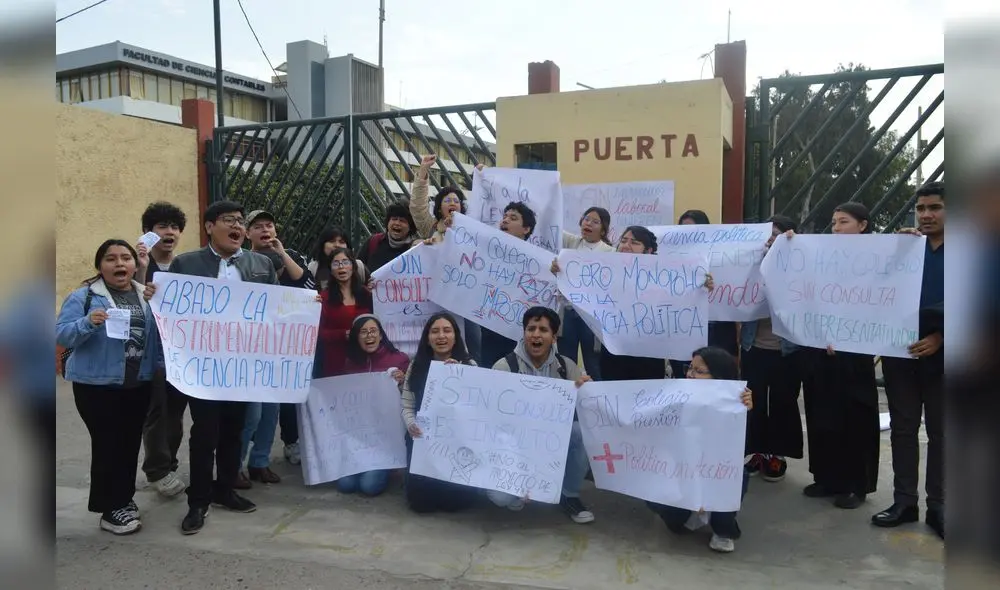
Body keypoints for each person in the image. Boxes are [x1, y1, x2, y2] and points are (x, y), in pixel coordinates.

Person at [142, 200, 279, 535]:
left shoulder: (262, 263)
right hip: (202, 368)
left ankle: (224, 489)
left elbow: (277, 309)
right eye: (229, 220)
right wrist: (153, 294)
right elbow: (169, 310)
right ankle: (198, 500)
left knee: (235, 429)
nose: (237, 226)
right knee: (205, 432)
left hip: (243, 365)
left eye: (240, 221)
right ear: (208, 227)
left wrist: (305, 307)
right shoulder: (186, 264)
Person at [57, 239, 163, 535]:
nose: (119, 264)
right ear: (99, 266)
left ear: (135, 264)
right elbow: (62, 335)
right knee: (107, 443)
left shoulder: (148, 296)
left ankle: (123, 500)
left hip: (137, 383)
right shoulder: (84, 297)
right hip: (96, 386)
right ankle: (108, 508)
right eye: (110, 259)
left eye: (125, 258)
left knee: (129, 443)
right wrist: (88, 323)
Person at [790, 202, 880, 510]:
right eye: (833, 223)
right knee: (821, 413)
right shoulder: (820, 256)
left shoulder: (878, 258)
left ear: (863, 225)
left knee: (854, 417)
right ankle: (826, 477)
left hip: (855, 352)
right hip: (819, 348)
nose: (836, 228)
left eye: (843, 222)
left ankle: (857, 484)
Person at [871, 182, 945, 538]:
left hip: (945, 356)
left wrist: (940, 338)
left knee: (942, 432)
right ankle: (904, 502)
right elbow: (871, 285)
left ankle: (939, 506)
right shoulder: (907, 248)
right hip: (900, 353)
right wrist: (896, 249)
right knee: (903, 429)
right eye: (921, 208)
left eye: (935, 207)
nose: (927, 214)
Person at [488, 307, 595, 524]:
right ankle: (518, 486)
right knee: (501, 499)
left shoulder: (567, 367)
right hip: (513, 446)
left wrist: (587, 390)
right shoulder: (503, 367)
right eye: (531, 329)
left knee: (581, 432)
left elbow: (589, 403)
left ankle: (569, 495)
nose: (536, 334)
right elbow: (491, 418)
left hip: (549, 444)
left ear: (554, 337)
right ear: (524, 332)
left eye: (543, 330)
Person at [646, 346, 754, 553]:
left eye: (699, 371)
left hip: (714, 474)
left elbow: (738, 451)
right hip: (680, 474)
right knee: (674, 521)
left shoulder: (737, 404)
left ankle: (723, 529)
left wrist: (746, 412)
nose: (690, 375)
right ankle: (684, 514)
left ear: (719, 377)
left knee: (740, 473)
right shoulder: (672, 396)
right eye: (690, 368)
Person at [234, 209, 313, 489]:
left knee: (271, 411)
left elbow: (306, 284)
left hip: (279, 348)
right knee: (251, 414)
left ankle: (259, 463)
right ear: (247, 233)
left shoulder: (288, 255)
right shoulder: (238, 260)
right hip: (247, 348)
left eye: (269, 225)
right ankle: (235, 466)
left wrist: (281, 252)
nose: (265, 230)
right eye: (258, 226)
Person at [740, 214, 803, 482]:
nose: (770, 238)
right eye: (767, 233)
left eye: (776, 233)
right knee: (752, 402)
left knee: (783, 401)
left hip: (786, 349)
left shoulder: (801, 264)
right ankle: (757, 451)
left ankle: (777, 454)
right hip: (754, 346)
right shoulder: (749, 264)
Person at [134, 201, 189, 498]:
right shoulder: (136, 265)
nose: (169, 232)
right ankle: (157, 470)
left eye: (174, 227)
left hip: (180, 352)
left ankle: (168, 465)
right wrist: (141, 272)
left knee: (175, 413)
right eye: (162, 226)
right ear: (148, 233)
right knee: (157, 412)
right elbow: (131, 300)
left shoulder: (185, 266)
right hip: (149, 353)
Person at [400, 313, 479, 513]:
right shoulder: (415, 366)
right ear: (427, 338)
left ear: (456, 336)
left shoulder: (469, 366)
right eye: (434, 332)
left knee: (455, 503)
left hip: (458, 443)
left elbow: (479, 410)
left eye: (447, 331)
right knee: (420, 505)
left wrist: (462, 377)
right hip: (424, 440)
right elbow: (407, 405)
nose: (441, 336)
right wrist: (411, 424)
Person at [407, 153, 482, 362]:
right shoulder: (430, 227)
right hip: (435, 300)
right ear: (439, 206)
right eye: (447, 200)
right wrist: (422, 172)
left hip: (466, 302)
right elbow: (418, 207)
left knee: (473, 347)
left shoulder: (473, 230)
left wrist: (485, 180)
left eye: (456, 201)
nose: (452, 203)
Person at [337, 315, 410, 496]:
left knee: (368, 487)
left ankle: (387, 468)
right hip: (359, 436)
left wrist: (402, 383)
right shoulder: (350, 362)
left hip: (384, 441)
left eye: (373, 331)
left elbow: (410, 397)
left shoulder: (399, 359)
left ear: (381, 334)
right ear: (356, 337)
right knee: (345, 485)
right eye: (363, 332)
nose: (369, 336)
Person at [670, 210, 738, 378]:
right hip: (685, 326)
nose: (688, 234)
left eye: (693, 229)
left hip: (717, 327)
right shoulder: (671, 258)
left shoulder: (724, 256)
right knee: (686, 375)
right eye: (683, 229)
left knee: (713, 375)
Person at [598, 226, 669, 381]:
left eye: (634, 242)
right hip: (614, 350)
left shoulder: (663, 275)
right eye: (623, 240)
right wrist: (560, 271)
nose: (626, 245)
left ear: (649, 251)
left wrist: (702, 285)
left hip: (648, 352)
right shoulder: (604, 271)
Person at [479, 201, 539, 369]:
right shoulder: (487, 251)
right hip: (489, 328)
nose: (505, 220)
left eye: (513, 218)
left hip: (518, 331)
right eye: (504, 217)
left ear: (526, 229)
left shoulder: (537, 263)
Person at [557, 207, 614, 380]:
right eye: (586, 219)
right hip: (568, 312)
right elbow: (552, 227)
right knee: (567, 361)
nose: (588, 223)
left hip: (592, 316)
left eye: (595, 222)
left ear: (603, 230)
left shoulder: (611, 252)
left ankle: (596, 401)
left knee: (593, 362)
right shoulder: (572, 242)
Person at [317, 248, 373, 378]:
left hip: (364, 357)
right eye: (336, 264)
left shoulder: (366, 294)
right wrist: (343, 334)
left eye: (345, 262)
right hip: (335, 360)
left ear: (353, 267)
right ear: (330, 270)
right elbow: (318, 333)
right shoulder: (324, 297)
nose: (341, 267)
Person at [359, 201, 418, 272]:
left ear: (410, 227)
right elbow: (357, 269)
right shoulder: (374, 242)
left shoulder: (415, 248)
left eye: (402, 221)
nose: (397, 223)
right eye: (394, 219)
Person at [307, 226, 368, 292]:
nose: (337, 245)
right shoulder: (313, 268)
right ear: (323, 245)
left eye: (341, 242)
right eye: (332, 241)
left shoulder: (359, 266)